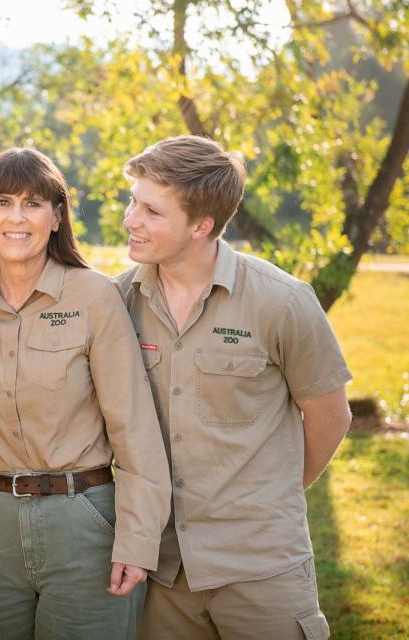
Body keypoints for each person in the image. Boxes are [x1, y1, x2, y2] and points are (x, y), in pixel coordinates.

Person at [116, 135, 352, 640]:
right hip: (161, 573)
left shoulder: (283, 302)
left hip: (262, 568)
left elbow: (331, 416)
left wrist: (267, 496)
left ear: (201, 225)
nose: (130, 220)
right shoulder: (118, 301)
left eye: (151, 211)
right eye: (132, 201)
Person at [0, 147, 172, 640]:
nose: (16, 217)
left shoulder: (94, 297)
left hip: (84, 522)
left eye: (33, 204)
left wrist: (136, 541)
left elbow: (134, 428)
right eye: (3, 201)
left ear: (56, 216)